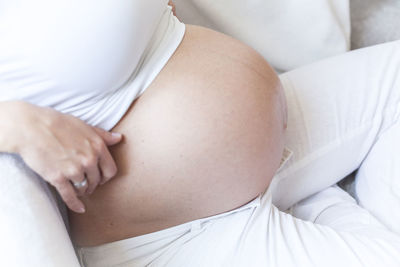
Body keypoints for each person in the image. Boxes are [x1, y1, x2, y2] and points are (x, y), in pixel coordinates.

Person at [0, 0, 399, 266]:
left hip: (255, 144)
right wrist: (13, 124)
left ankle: (313, 201)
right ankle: (322, 207)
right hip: (176, 232)